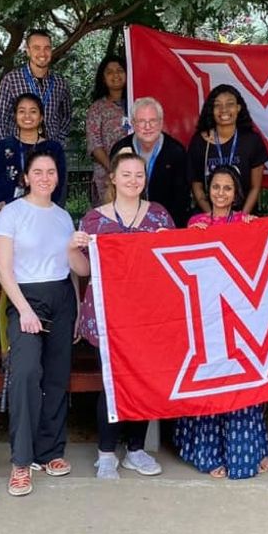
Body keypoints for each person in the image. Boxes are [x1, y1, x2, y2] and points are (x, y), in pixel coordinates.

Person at [0, 151, 90, 497]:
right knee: (25, 374)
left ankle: (51, 451)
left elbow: (78, 271)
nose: (45, 177)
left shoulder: (64, 217)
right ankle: (21, 461)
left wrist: (77, 309)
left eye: (51, 171)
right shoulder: (11, 215)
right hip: (26, 299)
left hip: (62, 297)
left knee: (56, 376)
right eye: (38, 171)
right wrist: (24, 311)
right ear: (26, 176)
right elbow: (4, 270)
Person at [78, 152, 173, 479]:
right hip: (108, 315)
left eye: (139, 175)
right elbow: (84, 269)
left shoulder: (159, 217)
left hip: (147, 314)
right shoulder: (93, 220)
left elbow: (171, 267)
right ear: (113, 178)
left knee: (143, 381)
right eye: (127, 174)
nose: (133, 181)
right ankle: (106, 453)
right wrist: (69, 248)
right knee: (112, 383)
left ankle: (135, 449)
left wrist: (168, 246)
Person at [174, 165, 268, 479]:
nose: (220, 193)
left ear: (236, 193)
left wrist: (255, 232)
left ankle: (251, 449)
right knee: (210, 385)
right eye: (216, 187)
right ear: (207, 190)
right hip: (207, 319)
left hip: (241, 319)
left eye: (227, 188)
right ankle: (208, 453)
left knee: (243, 387)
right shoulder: (196, 223)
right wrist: (190, 238)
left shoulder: (247, 223)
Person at [109, 96, 190, 227]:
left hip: (165, 226)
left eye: (153, 121)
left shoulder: (176, 151)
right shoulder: (120, 149)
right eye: (142, 121)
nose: (148, 127)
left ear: (161, 122)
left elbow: (181, 200)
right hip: (126, 225)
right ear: (133, 124)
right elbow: (113, 192)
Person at [188, 84, 268, 215]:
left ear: (238, 108)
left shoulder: (252, 141)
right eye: (218, 105)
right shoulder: (199, 142)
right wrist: (213, 217)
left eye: (230, 104)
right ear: (211, 110)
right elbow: (197, 187)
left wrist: (241, 218)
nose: (224, 109)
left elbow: (255, 188)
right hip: (208, 218)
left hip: (245, 218)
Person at [0, 29, 73, 146]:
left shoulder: (60, 83)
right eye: (36, 48)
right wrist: (6, 151)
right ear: (28, 51)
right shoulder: (11, 80)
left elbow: (67, 116)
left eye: (47, 48)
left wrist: (57, 142)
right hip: (18, 152)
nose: (42, 53)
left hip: (49, 153)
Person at [0, 93, 67, 209]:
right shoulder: (3, 146)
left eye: (33, 111)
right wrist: (5, 204)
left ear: (41, 117)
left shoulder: (54, 149)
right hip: (8, 211)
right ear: (15, 116)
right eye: (22, 111)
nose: (27, 116)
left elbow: (58, 184)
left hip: (43, 211)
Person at [85, 55, 131, 205]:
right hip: (107, 175)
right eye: (109, 72)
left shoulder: (137, 102)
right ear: (103, 78)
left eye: (119, 70)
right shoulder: (97, 108)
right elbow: (94, 144)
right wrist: (114, 170)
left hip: (136, 175)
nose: (115, 75)